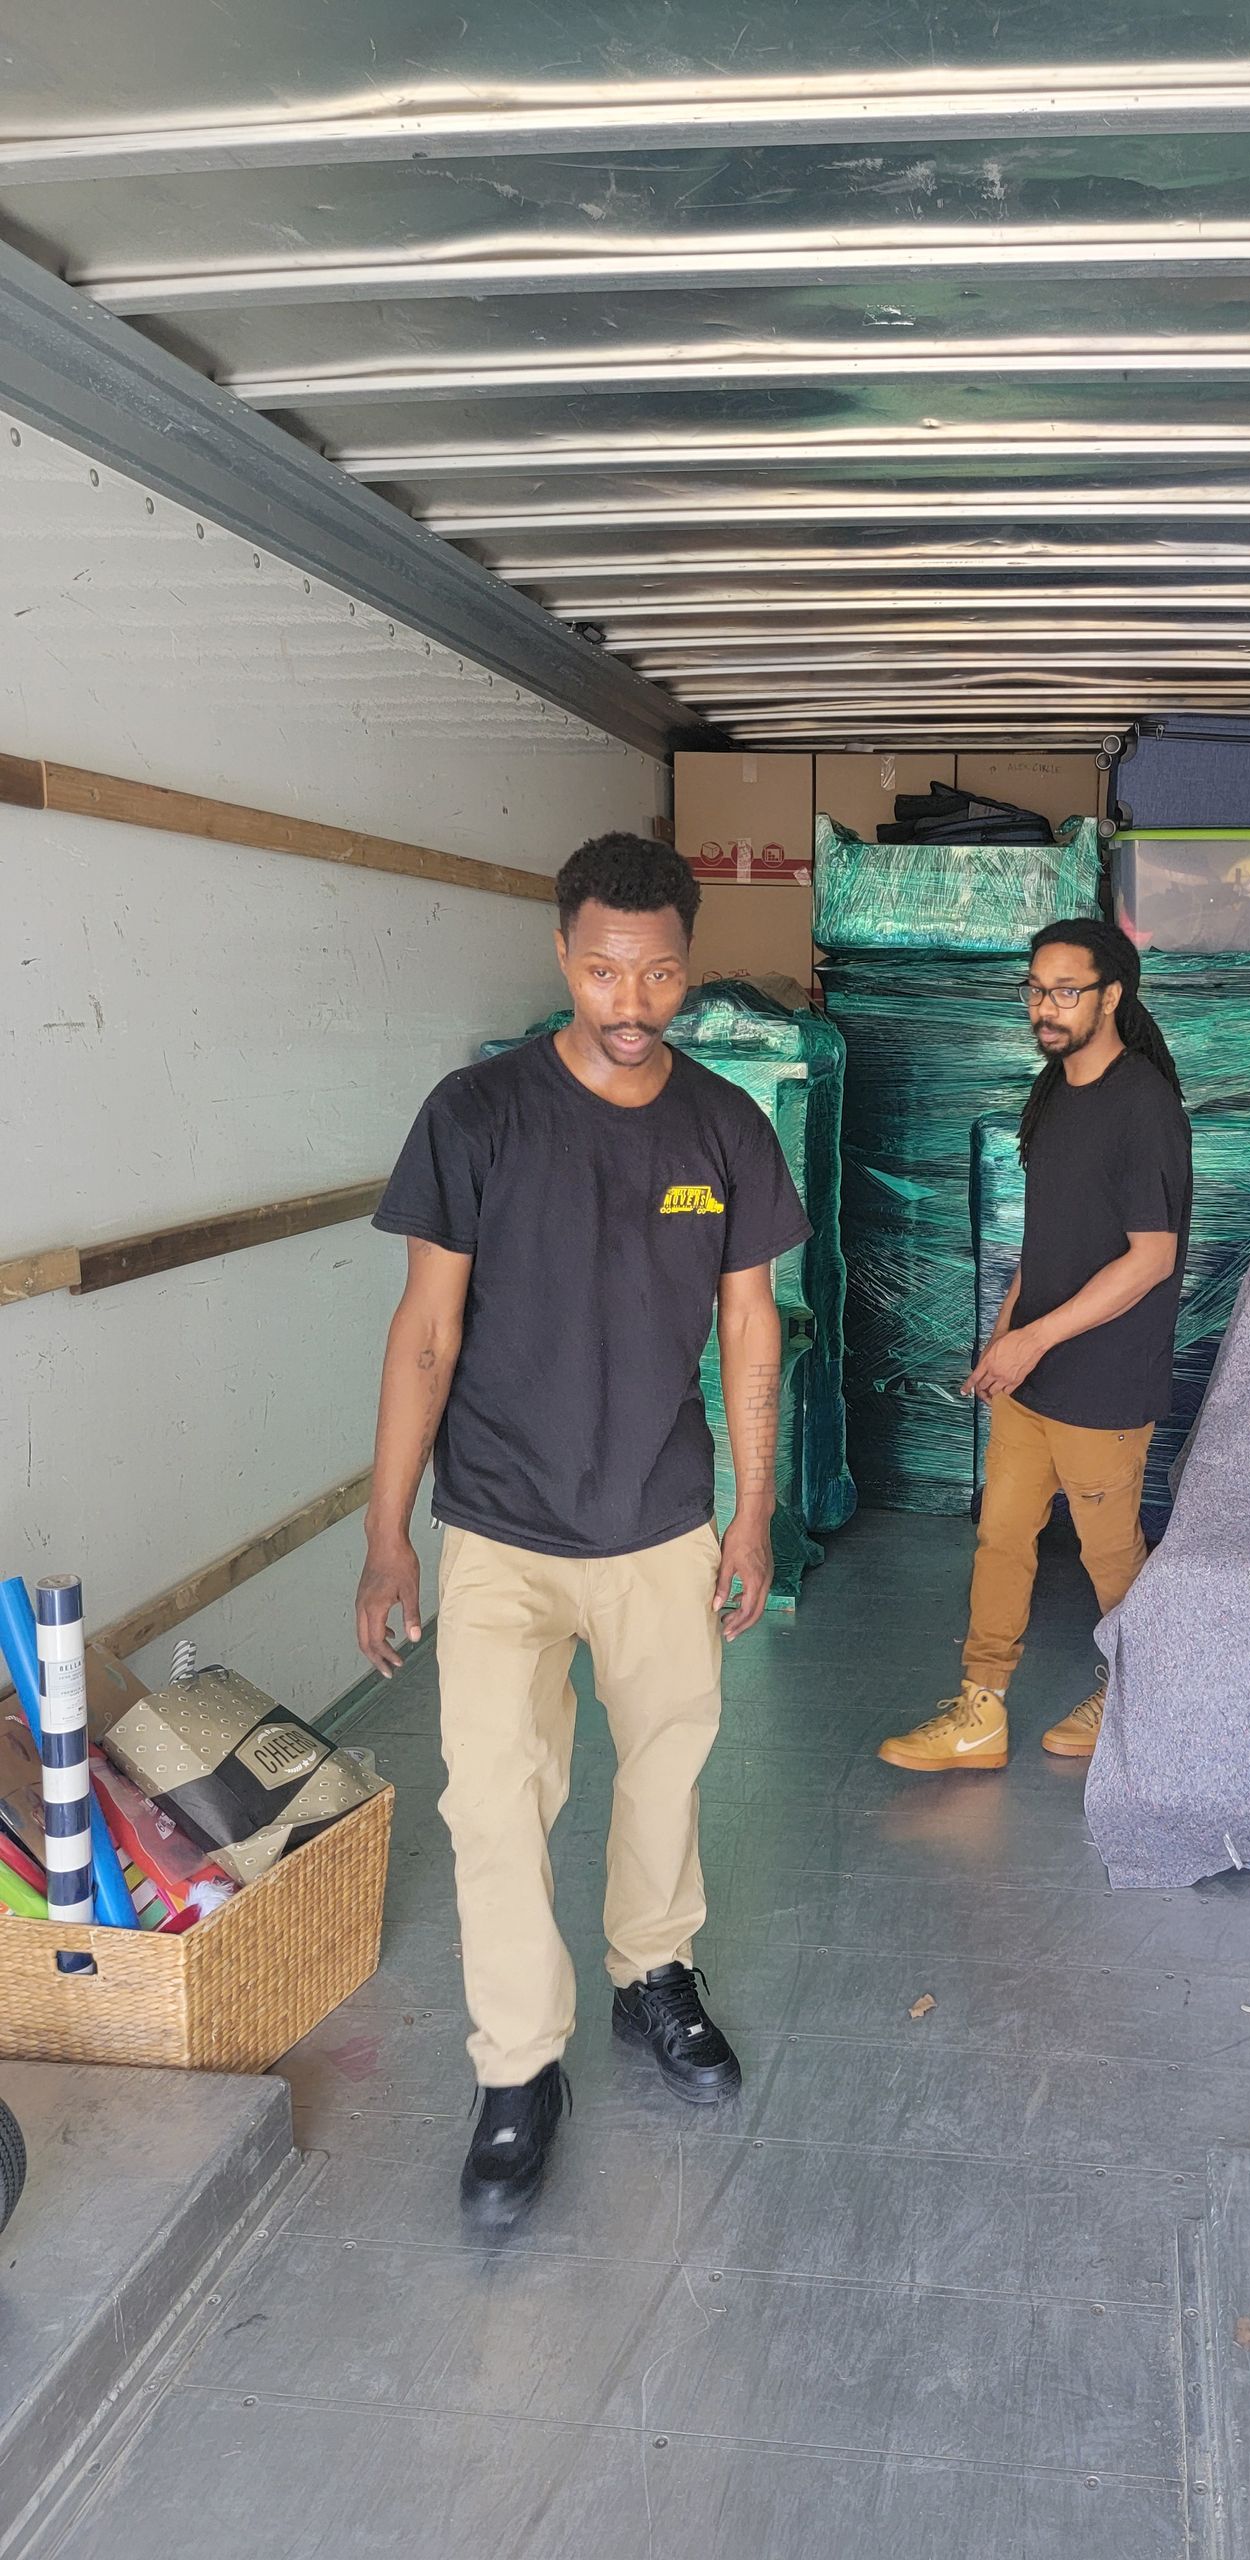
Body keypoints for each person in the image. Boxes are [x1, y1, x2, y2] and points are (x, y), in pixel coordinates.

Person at [355, 832, 809, 2217]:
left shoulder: (723, 1125)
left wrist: (752, 1513)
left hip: (662, 1522)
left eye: (659, 973)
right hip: (498, 1528)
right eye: (605, 969)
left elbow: (748, 1328)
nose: (630, 1001)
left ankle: (651, 1978)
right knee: (495, 1800)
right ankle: (516, 2068)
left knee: (669, 1769)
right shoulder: (477, 1114)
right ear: (562, 955)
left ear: (688, 969)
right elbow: (427, 1331)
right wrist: (388, 1536)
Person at [878, 918, 1191, 1774]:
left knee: (1109, 1552)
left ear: (1112, 996)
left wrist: (1037, 1338)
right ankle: (981, 1710)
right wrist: (1007, 1334)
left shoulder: (1144, 1107)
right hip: (1033, 1374)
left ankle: (1139, 1694)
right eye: (1036, 989)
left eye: (1065, 991)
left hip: (1104, 1383)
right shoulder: (1054, 1092)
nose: (1044, 1008)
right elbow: (1048, 1237)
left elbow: (1151, 1258)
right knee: (1003, 1537)